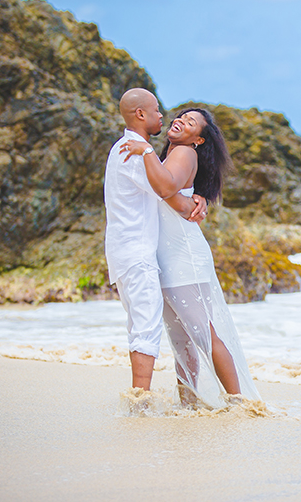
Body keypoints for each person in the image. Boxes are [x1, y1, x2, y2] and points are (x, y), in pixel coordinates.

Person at [119, 107, 261, 408]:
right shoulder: (168, 156)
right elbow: (164, 190)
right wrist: (189, 200)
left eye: (191, 122)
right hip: (168, 257)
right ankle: (189, 402)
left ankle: (238, 402)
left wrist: (145, 150)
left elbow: (165, 188)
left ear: (198, 139)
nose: (180, 120)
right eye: (181, 116)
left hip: (183, 258)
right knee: (183, 340)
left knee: (204, 335)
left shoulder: (184, 153)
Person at [103, 88, 207, 391]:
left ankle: (142, 396)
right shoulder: (134, 151)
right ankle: (140, 399)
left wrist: (195, 198)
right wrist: (194, 205)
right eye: (157, 110)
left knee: (140, 323)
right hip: (136, 253)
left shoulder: (125, 147)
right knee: (145, 326)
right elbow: (167, 192)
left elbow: (166, 189)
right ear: (141, 114)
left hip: (127, 251)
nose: (163, 116)